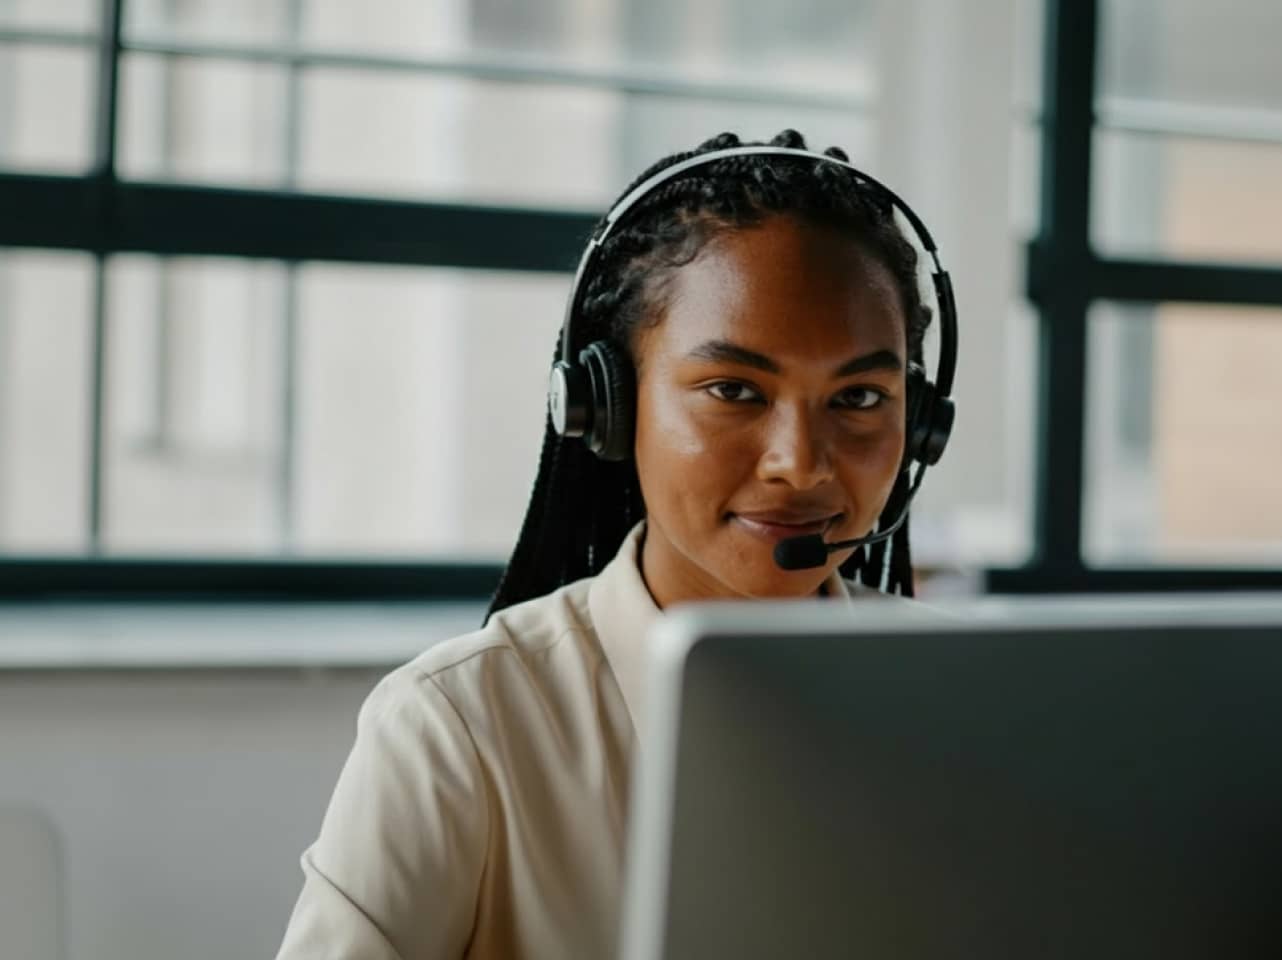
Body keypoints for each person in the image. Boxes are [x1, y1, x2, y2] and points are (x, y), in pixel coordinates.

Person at [275, 128, 954, 959]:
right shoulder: (460, 728)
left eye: (859, 398)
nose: (800, 462)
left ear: (919, 424)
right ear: (608, 408)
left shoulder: (967, 702)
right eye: (733, 390)